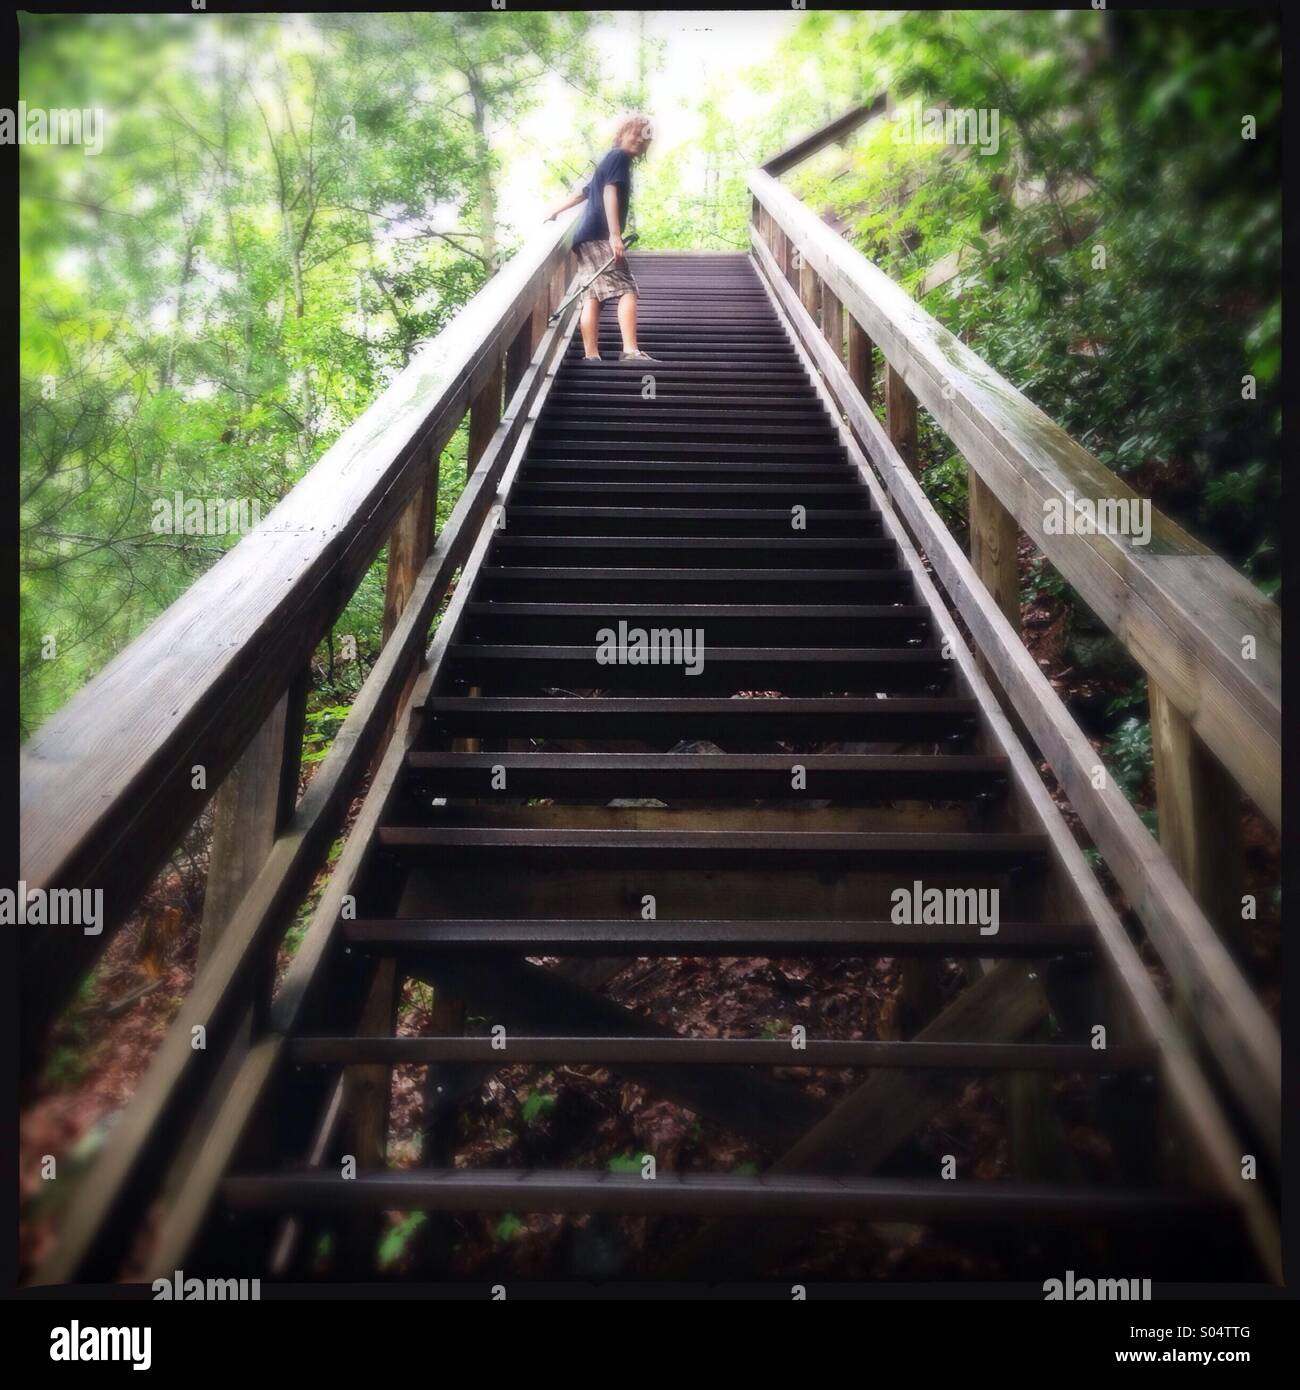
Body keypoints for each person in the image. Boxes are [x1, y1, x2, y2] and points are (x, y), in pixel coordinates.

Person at [545, 113, 660, 362]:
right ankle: (630, 350)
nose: (639, 141)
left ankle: (591, 356)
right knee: (627, 288)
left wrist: (556, 209)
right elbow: (609, 192)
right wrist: (615, 235)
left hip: (584, 237)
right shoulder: (618, 157)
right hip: (599, 234)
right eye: (635, 133)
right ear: (621, 134)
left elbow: (583, 193)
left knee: (593, 295)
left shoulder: (608, 160)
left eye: (644, 138)